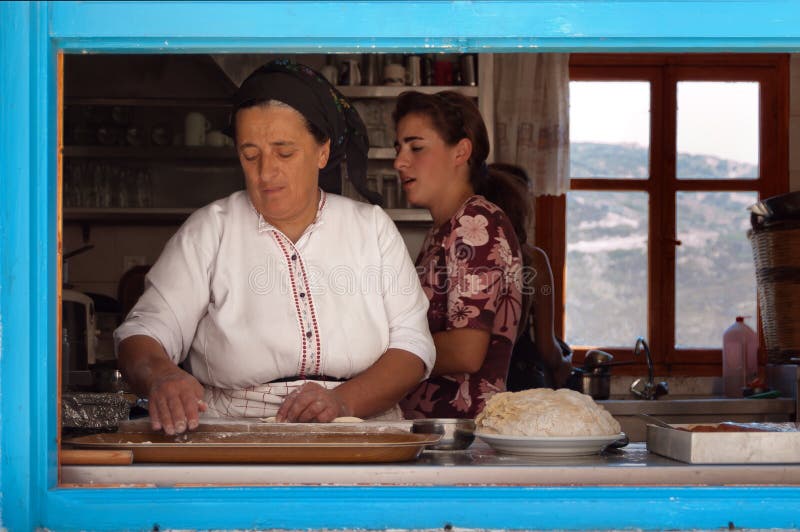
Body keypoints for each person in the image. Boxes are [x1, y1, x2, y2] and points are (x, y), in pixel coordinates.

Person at [115, 60, 435, 435]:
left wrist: (343, 401)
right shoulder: (210, 230)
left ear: (322, 152)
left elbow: (413, 346)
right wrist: (162, 376)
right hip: (236, 431)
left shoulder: (371, 228)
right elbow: (143, 331)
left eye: (284, 153)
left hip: (360, 426)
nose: (266, 172)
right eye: (251, 155)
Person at [392, 90, 527, 419]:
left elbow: (467, 351)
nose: (399, 162)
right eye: (398, 148)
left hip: (462, 435)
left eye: (416, 147)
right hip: (439, 433)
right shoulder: (444, 230)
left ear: (461, 151)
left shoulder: (474, 224)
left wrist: (379, 358)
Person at [488, 163, 575, 391]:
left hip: (474, 384)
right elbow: (547, 347)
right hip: (520, 381)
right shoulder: (533, 260)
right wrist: (563, 363)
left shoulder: (463, 254)